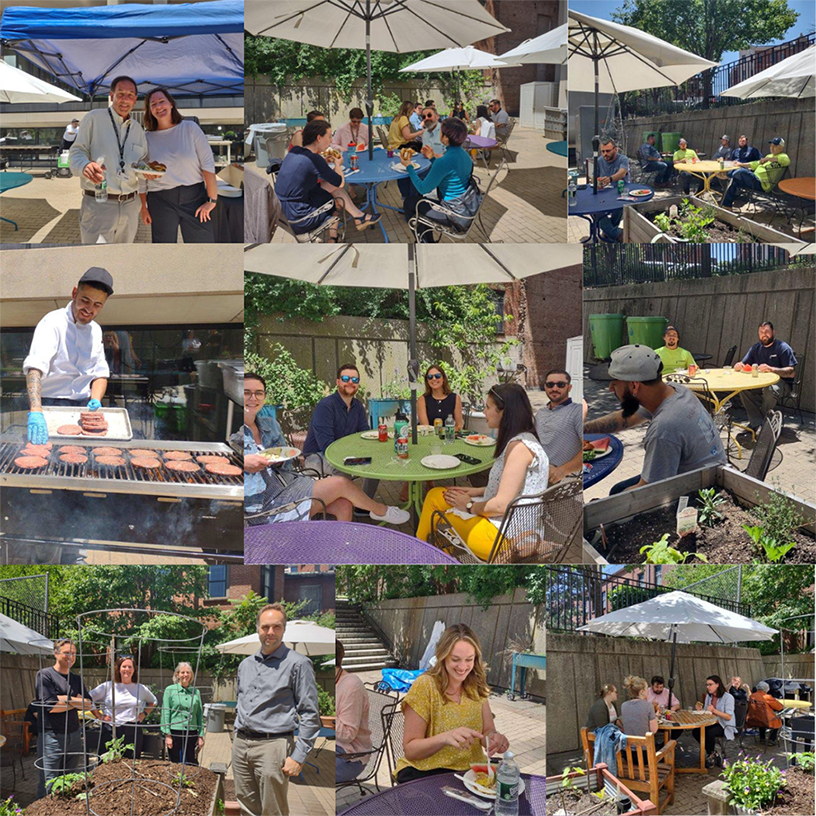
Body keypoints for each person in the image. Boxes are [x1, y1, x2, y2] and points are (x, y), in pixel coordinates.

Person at [243, 372, 409, 525]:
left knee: (350, 495)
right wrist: (245, 462)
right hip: (315, 460)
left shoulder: (270, 424)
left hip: (289, 483)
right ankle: (379, 510)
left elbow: (363, 434)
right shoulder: (326, 406)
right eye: (246, 392)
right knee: (341, 481)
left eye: (258, 393)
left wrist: (279, 461)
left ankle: (341, 549)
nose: (253, 397)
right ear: (338, 382)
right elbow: (327, 446)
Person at [416, 383, 550, 560]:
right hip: (503, 525)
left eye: (487, 407)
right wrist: (476, 491)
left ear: (504, 412)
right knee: (435, 495)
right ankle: (431, 556)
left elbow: (501, 505)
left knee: (437, 517)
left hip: (506, 539)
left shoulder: (519, 448)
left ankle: (420, 556)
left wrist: (470, 505)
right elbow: (514, 487)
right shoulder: (521, 440)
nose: (484, 412)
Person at [584, 345, 726, 495]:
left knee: (615, 496)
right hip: (706, 473)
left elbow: (649, 491)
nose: (610, 389)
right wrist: (584, 429)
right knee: (618, 489)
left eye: (614, 383)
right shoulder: (675, 390)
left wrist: (601, 507)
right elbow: (626, 418)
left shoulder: (664, 428)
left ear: (634, 386)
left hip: (702, 493)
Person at [233, 603, 320, 816]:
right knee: (246, 808)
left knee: (273, 811)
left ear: (284, 629)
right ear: (257, 628)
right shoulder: (245, 665)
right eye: (265, 627)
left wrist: (299, 756)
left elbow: (310, 714)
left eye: (276, 627)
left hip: (273, 746)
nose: (270, 632)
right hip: (241, 744)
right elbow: (241, 701)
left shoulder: (298, 664)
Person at [395, 624, 509, 782]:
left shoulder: (476, 685)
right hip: (427, 771)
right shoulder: (425, 685)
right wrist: (445, 738)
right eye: (455, 659)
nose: (463, 667)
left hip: (471, 772)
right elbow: (411, 750)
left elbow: (488, 731)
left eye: (469, 659)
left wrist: (495, 740)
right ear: (443, 657)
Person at [23, 267, 113, 445]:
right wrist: (35, 411)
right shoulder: (52, 322)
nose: (89, 309)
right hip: (48, 405)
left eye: (97, 305)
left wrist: (95, 400)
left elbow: (100, 373)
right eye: (85, 300)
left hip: (83, 407)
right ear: (74, 293)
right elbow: (35, 368)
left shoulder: (96, 330)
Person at [69, 75, 149, 244]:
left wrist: (148, 172)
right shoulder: (94, 118)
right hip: (99, 203)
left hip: (130, 205)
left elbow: (140, 162)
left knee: (123, 258)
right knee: (96, 259)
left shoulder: (137, 129)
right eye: (121, 94)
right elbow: (76, 152)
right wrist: (85, 165)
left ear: (135, 99)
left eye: (130, 95)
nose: (125, 99)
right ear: (112, 96)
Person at [275, 119, 381, 239]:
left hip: (282, 211)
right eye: (329, 136)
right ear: (319, 138)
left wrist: (324, 163)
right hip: (299, 218)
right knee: (336, 201)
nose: (331, 141)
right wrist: (337, 164)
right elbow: (340, 182)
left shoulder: (296, 151)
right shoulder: (314, 159)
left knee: (332, 188)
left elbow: (309, 170)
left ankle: (357, 218)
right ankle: (338, 234)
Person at [137, 88, 217, 243]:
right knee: (164, 249)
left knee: (203, 247)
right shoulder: (146, 138)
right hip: (160, 200)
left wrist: (212, 201)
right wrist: (143, 206)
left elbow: (207, 164)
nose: (158, 106)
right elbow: (141, 175)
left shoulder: (190, 128)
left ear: (171, 104)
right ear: (149, 110)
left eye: (162, 101)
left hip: (194, 197)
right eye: (153, 104)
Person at [35, 639, 100, 796]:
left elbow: (89, 704)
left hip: (75, 735)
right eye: (66, 653)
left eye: (73, 653)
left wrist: (64, 699)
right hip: (51, 737)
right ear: (56, 653)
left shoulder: (76, 679)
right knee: (49, 782)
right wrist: (76, 702)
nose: (70, 656)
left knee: (69, 779)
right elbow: (51, 707)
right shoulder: (45, 675)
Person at [401, 117, 477, 243]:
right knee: (422, 203)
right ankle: (428, 240)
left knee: (410, 202)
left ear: (446, 138)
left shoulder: (444, 161)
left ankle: (425, 242)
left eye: (441, 132)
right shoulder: (464, 155)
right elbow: (449, 172)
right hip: (465, 207)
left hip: (453, 216)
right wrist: (432, 159)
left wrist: (408, 166)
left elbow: (423, 187)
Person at [91, 655, 157, 760]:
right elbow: (88, 698)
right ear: (119, 669)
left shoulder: (140, 688)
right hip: (111, 730)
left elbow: (153, 701)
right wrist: (99, 715)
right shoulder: (108, 686)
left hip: (133, 731)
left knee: (131, 765)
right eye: (124, 666)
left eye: (130, 667)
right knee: (107, 765)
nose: (127, 669)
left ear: (134, 670)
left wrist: (144, 714)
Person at [734, 321, 797, 429]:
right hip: (760, 383)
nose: (764, 334)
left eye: (767, 331)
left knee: (770, 390)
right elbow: (744, 364)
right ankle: (758, 422)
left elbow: (792, 372)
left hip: (782, 383)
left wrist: (772, 369)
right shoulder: (755, 348)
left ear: (773, 332)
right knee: (742, 389)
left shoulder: (783, 348)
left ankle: (758, 423)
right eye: (761, 332)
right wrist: (739, 365)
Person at [535, 369, 582, 484]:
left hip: (564, 480)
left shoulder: (577, 411)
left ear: (569, 388)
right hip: (537, 474)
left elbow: (588, 447)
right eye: (550, 385)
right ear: (545, 387)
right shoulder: (540, 413)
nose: (554, 388)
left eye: (560, 385)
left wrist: (563, 470)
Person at [335, 639, 373, 784]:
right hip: (336, 748)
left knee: (311, 771)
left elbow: (347, 734)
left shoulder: (351, 685)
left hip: (351, 757)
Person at [721, 137, 790, 210]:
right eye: (771, 145)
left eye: (775, 146)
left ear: (781, 148)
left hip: (763, 183)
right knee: (735, 180)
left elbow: (787, 161)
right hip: (754, 178)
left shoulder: (783, 156)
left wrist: (767, 159)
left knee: (741, 172)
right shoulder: (769, 156)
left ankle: (726, 175)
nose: (772, 148)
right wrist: (741, 164)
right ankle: (726, 206)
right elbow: (755, 164)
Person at [161, 662, 205, 765]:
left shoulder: (196, 692)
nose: (185, 675)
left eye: (188, 672)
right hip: (175, 732)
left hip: (192, 732)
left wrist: (201, 736)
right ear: (177, 674)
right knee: (174, 763)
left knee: (192, 762)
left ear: (191, 675)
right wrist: (167, 735)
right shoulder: (170, 690)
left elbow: (199, 714)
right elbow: (165, 713)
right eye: (182, 672)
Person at [693, 675, 735, 767]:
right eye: (707, 685)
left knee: (709, 732)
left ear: (717, 685)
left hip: (725, 724)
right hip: (711, 722)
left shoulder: (728, 697)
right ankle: (713, 752)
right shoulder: (709, 696)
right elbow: (707, 712)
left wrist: (714, 710)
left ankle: (711, 755)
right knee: (696, 731)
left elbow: (728, 717)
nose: (708, 687)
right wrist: (701, 710)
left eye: (710, 684)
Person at [594, 139, 630, 242]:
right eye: (603, 151)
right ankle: (618, 234)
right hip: (604, 194)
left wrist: (609, 179)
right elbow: (593, 177)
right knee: (596, 211)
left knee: (619, 208)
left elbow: (622, 173)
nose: (605, 154)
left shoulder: (623, 159)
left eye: (608, 151)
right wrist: (597, 182)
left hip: (620, 193)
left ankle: (608, 233)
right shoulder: (600, 160)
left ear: (615, 149)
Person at [417, 363, 463, 430]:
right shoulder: (422, 399)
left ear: (443, 378)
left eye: (437, 376)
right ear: (427, 381)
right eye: (430, 377)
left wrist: (444, 432)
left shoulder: (455, 398)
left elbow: (459, 426)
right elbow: (425, 427)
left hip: (449, 437)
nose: (434, 379)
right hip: (429, 438)